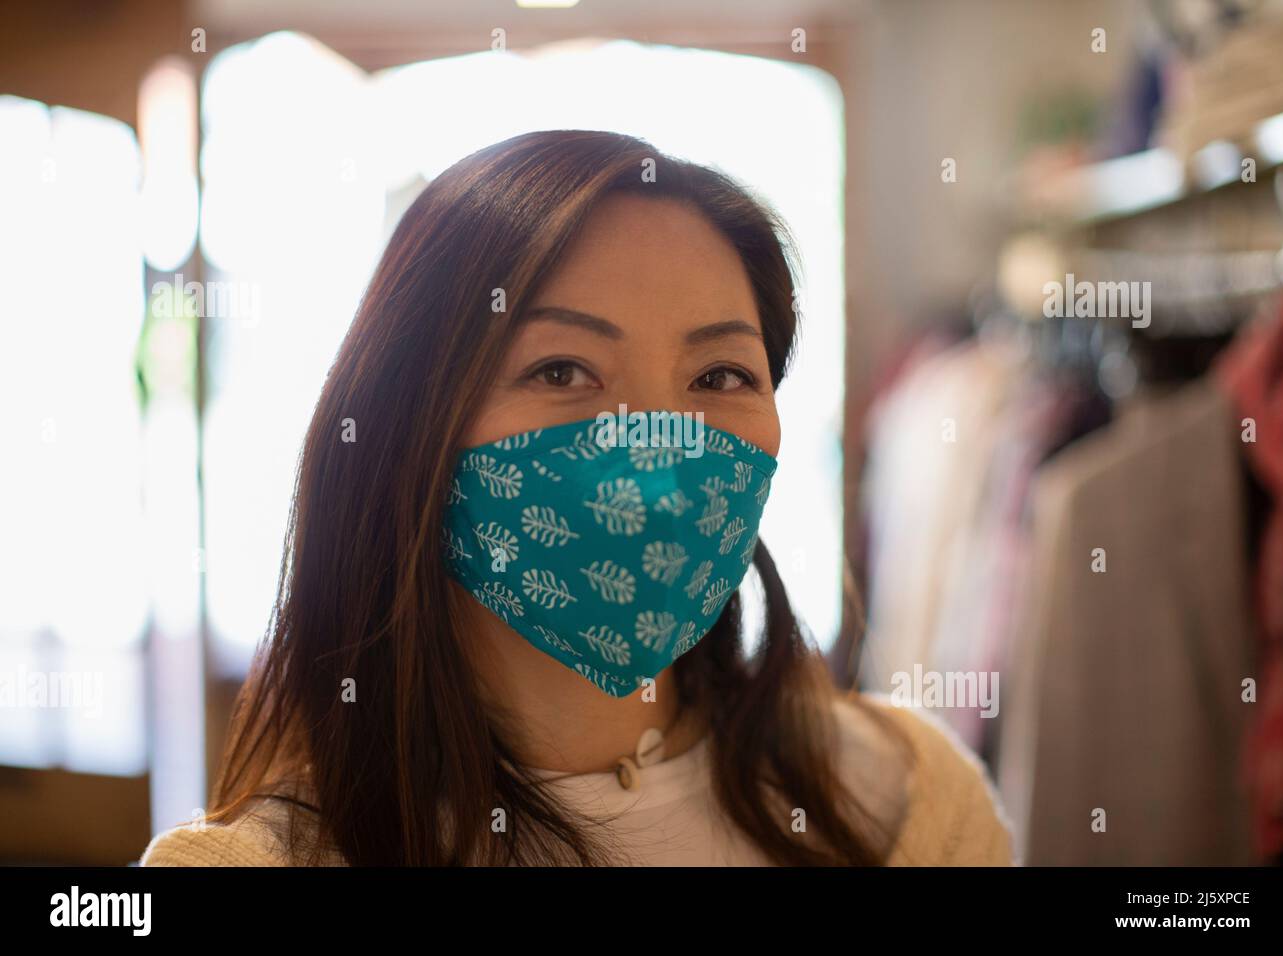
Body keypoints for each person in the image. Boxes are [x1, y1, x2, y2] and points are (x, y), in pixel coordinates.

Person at [139, 129, 1014, 866]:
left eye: (720, 375)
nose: (659, 447)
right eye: (563, 371)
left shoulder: (907, 805)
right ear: (409, 422)